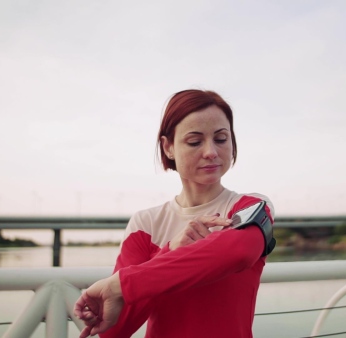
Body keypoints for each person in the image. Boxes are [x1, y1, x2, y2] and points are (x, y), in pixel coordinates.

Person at [74, 89, 274, 338]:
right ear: (168, 147)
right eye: (194, 141)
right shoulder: (146, 223)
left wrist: (119, 285)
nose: (211, 151)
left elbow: (238, 252)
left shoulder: (251, 206)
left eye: (221, 139)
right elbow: (115, 330)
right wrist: (170, 250)